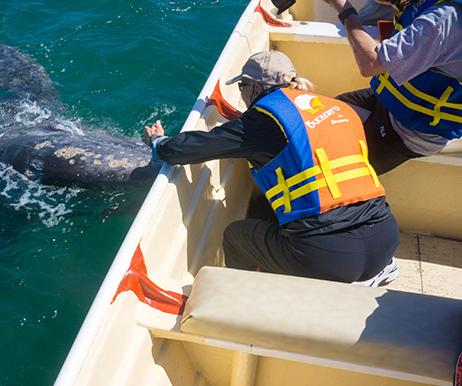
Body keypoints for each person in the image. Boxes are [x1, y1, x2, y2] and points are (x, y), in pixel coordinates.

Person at [144, 51, 400, 286]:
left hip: (330, 258)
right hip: (386, 238)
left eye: (242, 86)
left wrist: (158, 142)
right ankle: (377, 270)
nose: (241, 93)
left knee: (236, 236)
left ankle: (243, 299)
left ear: (257, 88)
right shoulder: (333, 106)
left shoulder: (262, 123)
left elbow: (186, 149)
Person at [322, 0, 462, 174]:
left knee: (333, 168)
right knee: (322, 120)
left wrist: (345, 10)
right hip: (393, 102)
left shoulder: (442, 19)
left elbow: (370, 63)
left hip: (412, 130)